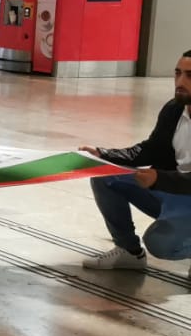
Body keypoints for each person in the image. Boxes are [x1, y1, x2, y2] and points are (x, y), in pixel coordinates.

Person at [80, 52, 191, 270]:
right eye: (177, 73)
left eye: (189, 76)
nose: (180, 82)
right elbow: (151, 149)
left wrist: (159, 179)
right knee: (105, 176)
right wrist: (104, 155)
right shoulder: (174, 110)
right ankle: (129, 251)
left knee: (158, 243)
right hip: (172, 190)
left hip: (182, 192)